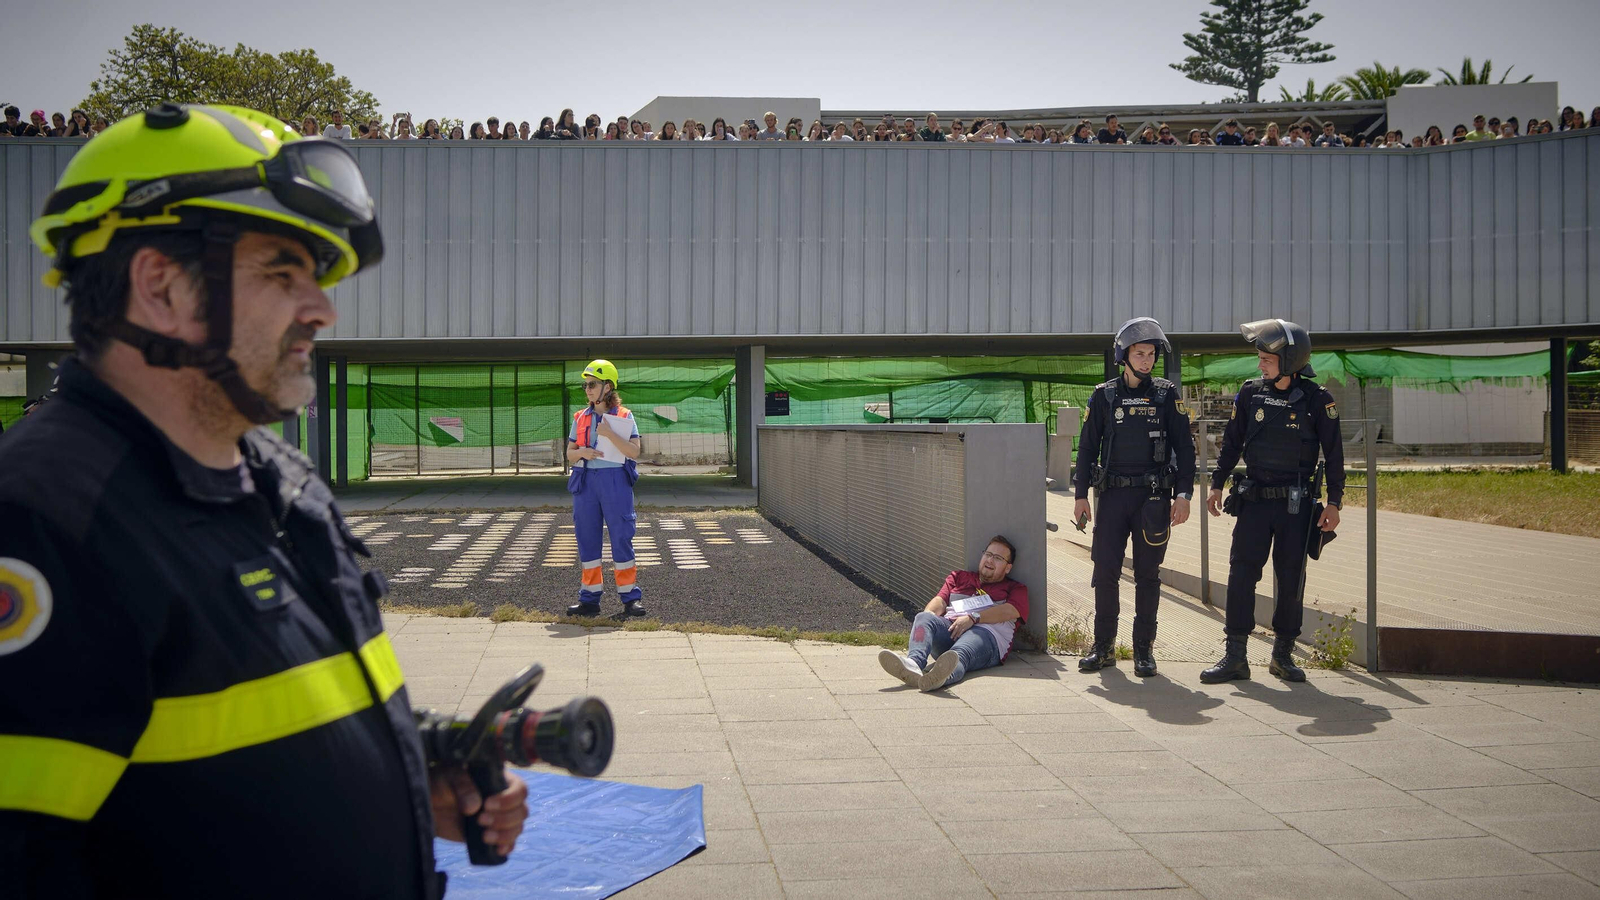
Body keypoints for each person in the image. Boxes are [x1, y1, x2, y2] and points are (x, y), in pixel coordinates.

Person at [0, 102, 528, 898]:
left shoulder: (284, 478)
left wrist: (415, 771)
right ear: (161, 287)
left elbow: (248, 727)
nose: (322, 310)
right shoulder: (44, 523)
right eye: (283, 273)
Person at [1201, 319, 1344, 685]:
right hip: (1255, 501)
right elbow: (1232, 443)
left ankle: (1282, 656)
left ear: (1290, 361)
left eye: (1267, 358)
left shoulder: (1318, 401)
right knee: (1241, 573)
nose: (1260, 364)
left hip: (1296, 508)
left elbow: (1335, 455)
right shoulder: (1250, 394)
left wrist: (1334, 503)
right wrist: (1216, 484)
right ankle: (1235, 656)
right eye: (1260, 356)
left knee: (1291, 577)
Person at [1073, 319, 1195, 677]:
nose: (1146, 360)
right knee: (1105, 573)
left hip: (1153, 499)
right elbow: (1086, 448)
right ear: (1123, 356)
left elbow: (1184, 450)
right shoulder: (1104, 395)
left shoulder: (1166, 394)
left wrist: (1183, 495)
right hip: (1111, 498)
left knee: (1147, 575)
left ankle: (1144, 650)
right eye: (1139, 353)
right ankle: (1104, 647)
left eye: (1151, 354)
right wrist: (1080, 495)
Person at [878, 537, 1029, 692]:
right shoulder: (959, 577)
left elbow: (1011, 610)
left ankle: (940, 677)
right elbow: (940, 601)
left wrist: (973, 618)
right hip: (950, 629)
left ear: (1008, 567)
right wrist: (927, 620)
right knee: (923, 617)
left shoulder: (1015, 588)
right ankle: (913, 665)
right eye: (988, 554)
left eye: (998, 558)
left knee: (961, 653)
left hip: (987, 635)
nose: (990, 560)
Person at [565, 360, 645, 618]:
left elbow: (634, 451)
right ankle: (589, 599)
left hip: (615, 482)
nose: (587, 389)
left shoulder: (624, 416)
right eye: (585, 385)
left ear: (607, 387)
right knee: (587, 541)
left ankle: (630, 598)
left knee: (622, 537)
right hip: (586, 482)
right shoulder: (580, 417)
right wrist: (582, 453)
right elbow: (568, 454)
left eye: (592, 384)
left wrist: (610, 434)